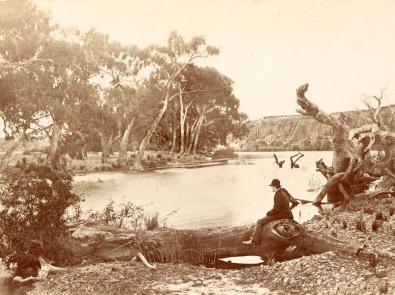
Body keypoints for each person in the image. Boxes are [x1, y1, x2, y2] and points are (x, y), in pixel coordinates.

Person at [243, 179, 299, 245]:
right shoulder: (283, 190)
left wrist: (269, 213)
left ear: (275, 187)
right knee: (265, 218)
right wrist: (290, 207)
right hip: (289, 214)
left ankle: (254, 240)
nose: (271, 188)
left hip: (282, 215)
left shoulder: (278, 195)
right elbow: (295, 202)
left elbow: (276, 209)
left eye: (272, 186)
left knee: (259, 222)